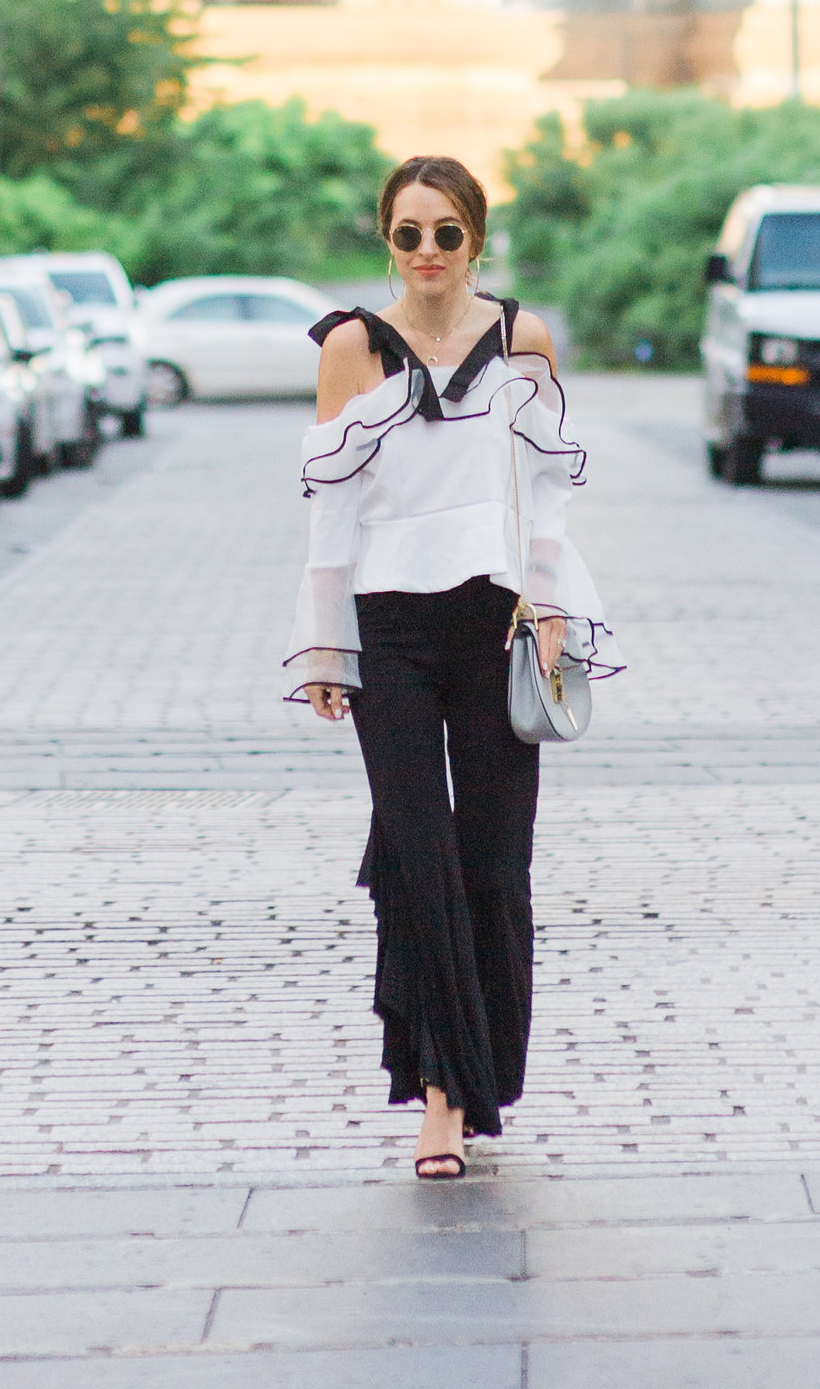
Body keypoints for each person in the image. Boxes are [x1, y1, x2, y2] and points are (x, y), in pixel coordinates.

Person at [285, 153, 610, 1182]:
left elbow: (546, 492)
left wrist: (549, 602)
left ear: (477, 235)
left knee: (495, 865)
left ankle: (482, 1069)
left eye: (445, 233)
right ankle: (439, 1097)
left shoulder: (522, 341)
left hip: (497, 618)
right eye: (405, 234)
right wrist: (324, 642)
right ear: (385, 240)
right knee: (417, 859)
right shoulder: (351, 348)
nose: (425, 252)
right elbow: (332, 510)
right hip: (388, 626)